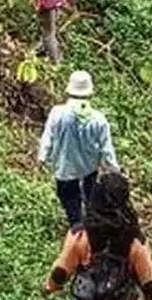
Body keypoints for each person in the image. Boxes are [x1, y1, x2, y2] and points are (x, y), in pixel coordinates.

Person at [38, 71, 119, 225]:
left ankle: (76, 227)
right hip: (89, 170)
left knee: (70, 203)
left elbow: (48, 137)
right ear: (90, 93)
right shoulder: (99, 118)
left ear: (69, 90)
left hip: (64, 169)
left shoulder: (57, 113)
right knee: (90, 201)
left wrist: (43, 157)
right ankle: (90, 227)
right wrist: (115, 170)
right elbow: (106, 149)